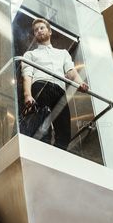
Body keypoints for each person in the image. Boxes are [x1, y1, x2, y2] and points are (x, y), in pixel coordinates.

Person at [21, 18, 88, 150]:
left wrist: (80, 83)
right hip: (41, 86)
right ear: (34, 35)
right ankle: (43, 153)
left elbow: (71, 72)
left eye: (41, 28)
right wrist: (27, 95)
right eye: (35, 30)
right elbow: (27, 76)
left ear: (49, 31)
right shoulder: (30, 54)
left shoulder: (63, 53)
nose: (39, 31)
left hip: (59, 90)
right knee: (42, 127)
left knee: (64, 133)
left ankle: (56, 157)